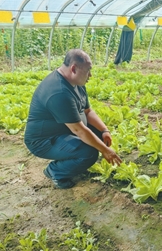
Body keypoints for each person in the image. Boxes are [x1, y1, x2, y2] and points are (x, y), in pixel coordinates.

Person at [24, 49, 122, 189]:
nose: (90, 75)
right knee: (89, 153)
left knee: (99, 136)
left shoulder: (75, 83)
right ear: (74, 69)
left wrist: (104, 130)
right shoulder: (59, 92)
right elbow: (79, 130)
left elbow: (88, 111)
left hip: (63, 130)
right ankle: (55, 171)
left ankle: (71, 161)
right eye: (88, 71)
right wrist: (105, 151)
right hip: (43, 141)